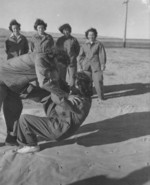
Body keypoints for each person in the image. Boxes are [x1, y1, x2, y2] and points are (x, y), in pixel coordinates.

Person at [0, 48, 70, 145]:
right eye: (60, 66)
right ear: (56, 59)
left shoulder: (51, 63)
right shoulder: (41, 58)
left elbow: (58, 79)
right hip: (2, 78)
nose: (59, 68)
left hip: (16, 84)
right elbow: (44, 83)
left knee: (14, 109)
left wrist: (68, 89)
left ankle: (11, 138)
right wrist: (66, 95)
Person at [15, 71, 92, 153]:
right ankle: (23, 89)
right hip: (60, 118)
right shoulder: (84, 95)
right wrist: (57, 77)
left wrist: (52, 83)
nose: (71, 84)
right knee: (46, 95)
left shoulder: (78, 102)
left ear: (78, 85)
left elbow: (56, 97)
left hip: (59, 128)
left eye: (74, 83)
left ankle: (31, 145)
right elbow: (64, 87)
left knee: (24, 119)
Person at [78, 28, 107, 101]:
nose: (91, 36)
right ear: (87, 36)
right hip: (86, 66)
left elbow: (102, 55)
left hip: (96, 66)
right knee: (86, 82)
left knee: (98, 81)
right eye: (89, 35)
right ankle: (88, 97)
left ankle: (101, 97)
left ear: (95, 35)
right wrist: (80, 66)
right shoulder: (84, 45)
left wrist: (103, 64)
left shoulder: (99, 44)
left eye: (93, 34)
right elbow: (80, 56)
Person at [56, 23, 80, 88]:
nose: (66, 32)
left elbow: (77, 50)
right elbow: (57, 50)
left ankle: (72, 90)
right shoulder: (59, 40)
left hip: (72, 61)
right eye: (65, 30)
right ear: (62, 31)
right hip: (62, 62)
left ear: (70, 31)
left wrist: (73, 57)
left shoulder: (74, 40)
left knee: (72, 77)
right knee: (61, 76)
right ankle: (63, 90)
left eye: (67, 30)